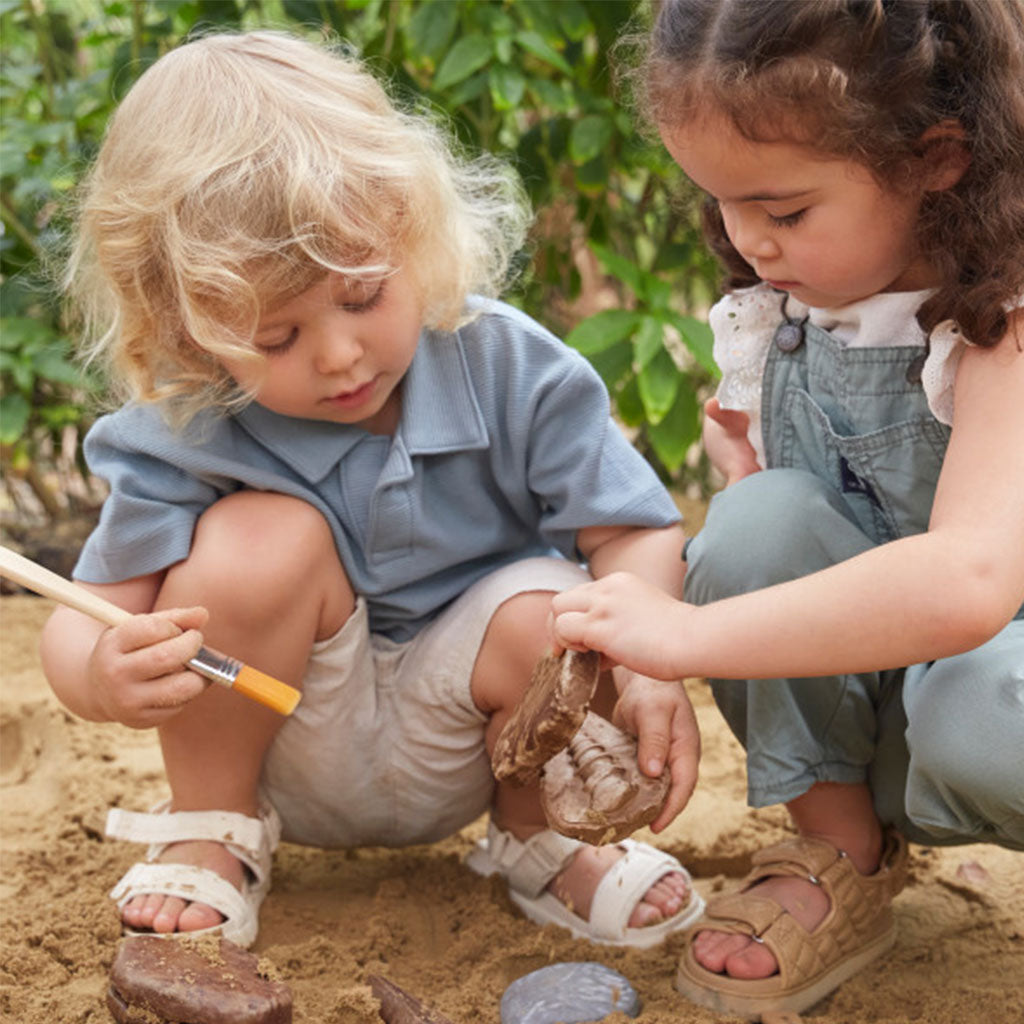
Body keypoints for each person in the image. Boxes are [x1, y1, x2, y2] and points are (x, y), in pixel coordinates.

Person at [39, 29, 707, 953]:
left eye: (362, 297)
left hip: (488, 740)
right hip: (280, 728)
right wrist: (99, 676)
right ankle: (212, 829)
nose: (340, 355)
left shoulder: (507, 365)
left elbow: (634, 533)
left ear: (413, 232)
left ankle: (542, 838)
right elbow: (81, 618)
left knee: (561, 608)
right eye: (276, 338)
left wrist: (650, 659)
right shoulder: (188, 423)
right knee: (256, 539)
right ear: (189, 331)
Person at [549, 0, 1024, 1016]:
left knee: (978, 707)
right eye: (722, 202)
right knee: (756, 520)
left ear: (936, 159)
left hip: (994, 699)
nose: (748, 240)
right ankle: (838, 847)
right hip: (904, 702)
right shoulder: (790, 316)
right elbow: (776, 548)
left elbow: (970, 580)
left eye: (786, 210)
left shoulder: (1004, 324)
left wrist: (689, 631)